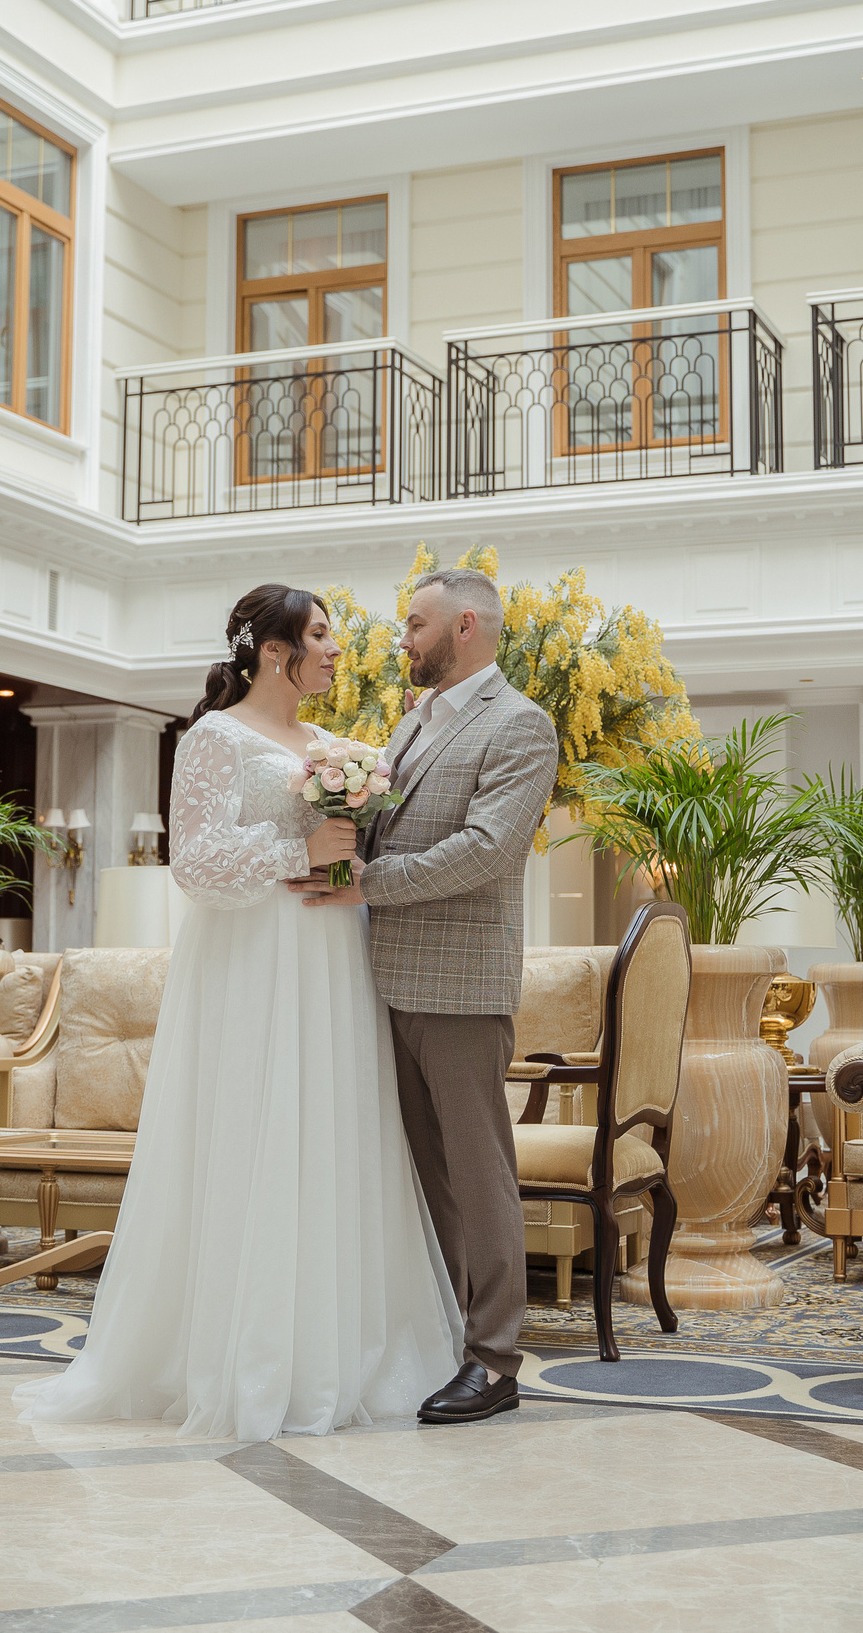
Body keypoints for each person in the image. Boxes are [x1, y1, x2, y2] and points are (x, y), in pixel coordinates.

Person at [13, 584, 462, 1442]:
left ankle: (341, 1350)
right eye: (322, 636)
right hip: (252, 968)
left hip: (331, 959)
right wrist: (304, 847)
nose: (337, 650)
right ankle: (240, 1355)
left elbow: (347, 858)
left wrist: (343, 858)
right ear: (274, 649)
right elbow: (198, 863)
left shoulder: (336, 745)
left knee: (332, 1133)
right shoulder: (212, 739)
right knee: (254, 1133)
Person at [293, 567, 558, 1425]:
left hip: (460, 987)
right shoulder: (412, 723)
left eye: (415, 623)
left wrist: (370, 882)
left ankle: (495, 1360)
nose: (401, 638)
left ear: (467, 626)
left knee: (480, 1177)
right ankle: (443, 1339)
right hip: (386, 984)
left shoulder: (520, 725)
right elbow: (385, 826)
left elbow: (486, 849)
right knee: (423, 1179)